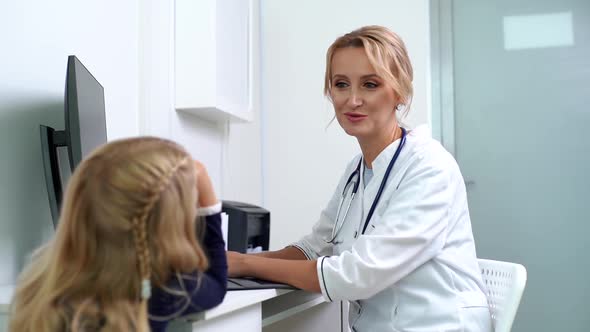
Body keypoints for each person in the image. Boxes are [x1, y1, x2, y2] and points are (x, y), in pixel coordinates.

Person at [228, 25, 492, 331]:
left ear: (400, 92)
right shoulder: (358, 171)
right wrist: (231, 261)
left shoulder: (429, 167)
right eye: (341, 84)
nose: (352, 100)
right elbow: (314, 248)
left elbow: (357, 275)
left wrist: (246, 264)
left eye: (370, 84)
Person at [9, 137, 227, 332]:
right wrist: (207, 196)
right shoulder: (156, 293)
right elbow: (216, 286)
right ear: (166, 227)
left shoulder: (37, 286)